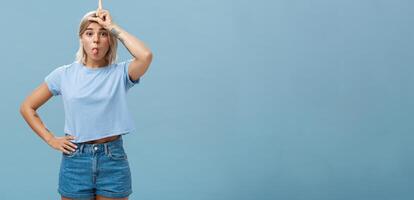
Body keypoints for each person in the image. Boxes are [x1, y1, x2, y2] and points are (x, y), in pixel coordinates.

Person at [19, 8, 153, 200]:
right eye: (89, 33)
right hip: (76, 160)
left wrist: (113, 26)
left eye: (103, 34)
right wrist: (50, 139)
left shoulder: (121, 73)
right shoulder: (63, 75)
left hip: (112, 160)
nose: (96, 39)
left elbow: (146, 56)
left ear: (111, 39)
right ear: (81, 38)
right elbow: (27, 107)